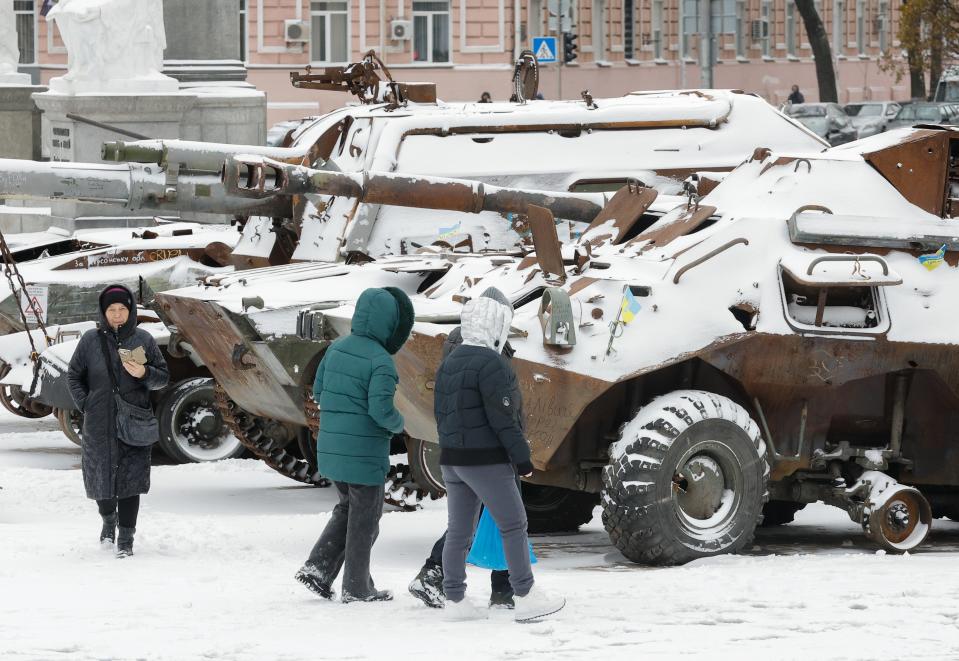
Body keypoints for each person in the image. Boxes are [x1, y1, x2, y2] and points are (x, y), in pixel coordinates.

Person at [434, 286, 565, 623]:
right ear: (496, 324)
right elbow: (504, 419)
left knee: (459, 531)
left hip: (452, 460)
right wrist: (522, 460)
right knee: (514, 523)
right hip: (486, 460)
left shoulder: (451, 360)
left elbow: (441, 411)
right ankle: (525, 594)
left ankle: (455, 600)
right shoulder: (493, 363)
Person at [294, 287, 414, 603]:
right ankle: (358, 589)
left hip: (332, 450)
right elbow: (380, 411)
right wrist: (401, 424)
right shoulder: (381, 361)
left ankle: (317, 569)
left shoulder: (336, 348)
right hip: (364, 455)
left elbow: (317, 391)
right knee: (366, 523)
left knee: (348, 509)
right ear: (389, 324)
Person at [408, 305, 516, 610]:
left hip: (456, 442)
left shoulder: (457, 344)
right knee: (500, 516)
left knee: (471, 520)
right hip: (485, 446)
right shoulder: (490, 349)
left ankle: (436, 574)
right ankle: (502, 589)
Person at [67, 284, 169, 558]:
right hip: (98, 422)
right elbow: (74, 375)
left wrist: (144, 372)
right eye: (111, 310)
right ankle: (107, 519)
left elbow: (162, 377)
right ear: (103, 311)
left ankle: (126, 537)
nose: (117, 315)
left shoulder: (143, 340)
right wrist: (85, 403)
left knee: (130, 481)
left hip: (133, 420)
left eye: (122, 309)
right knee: (100, 480)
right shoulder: (90, 340)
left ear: (131, 310)